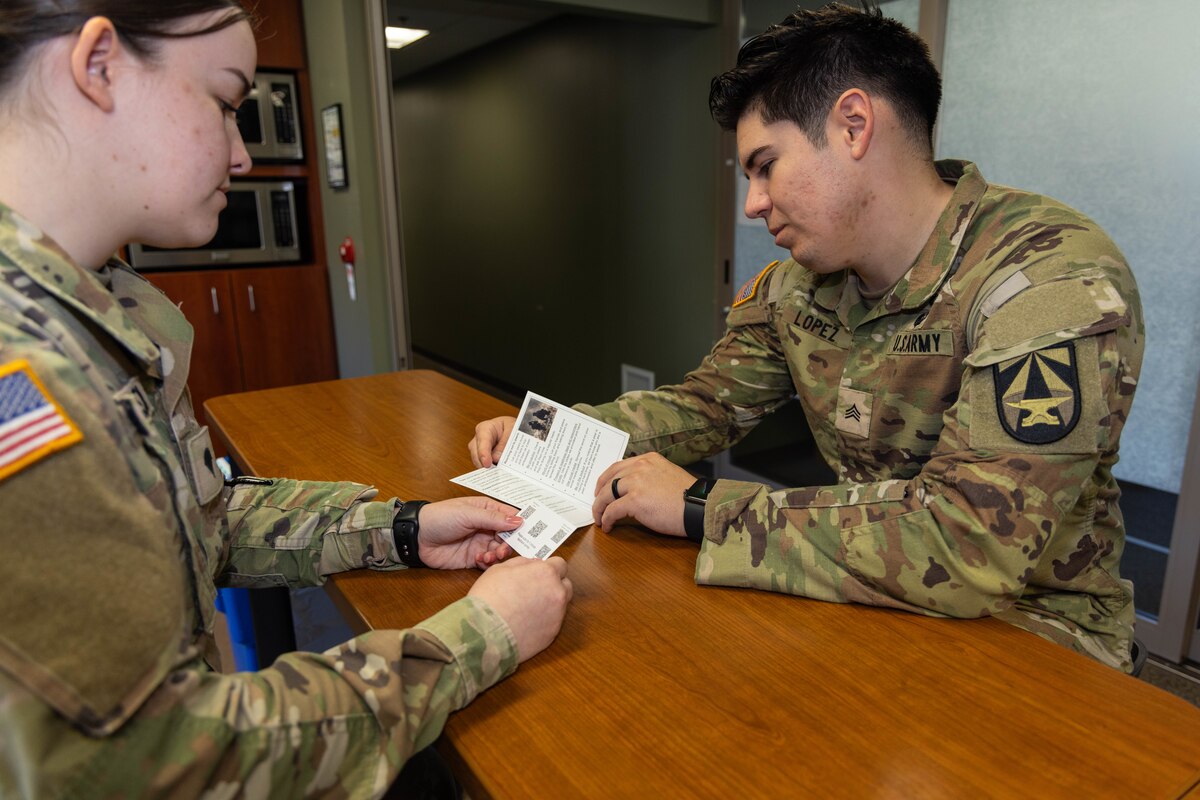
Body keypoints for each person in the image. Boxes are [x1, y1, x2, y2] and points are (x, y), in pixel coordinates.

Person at [0, 2, 572, 797]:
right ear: (99, 66)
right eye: (226, 101)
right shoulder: (25, 364)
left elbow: (192, 519)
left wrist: (403, 527)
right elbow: (154, 766)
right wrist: (477, 638)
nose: (240, 154)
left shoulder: (90, 309)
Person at [471, 2, 1142, 671]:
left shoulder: (1047, 280)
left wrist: (703, 506)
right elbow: (705, 407)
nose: (753, 203)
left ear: (853, 124)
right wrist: (549, 437)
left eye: (765, 165)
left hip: (1032, 640)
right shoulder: (799, 287)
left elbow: (969, 540)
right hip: (865, 600)